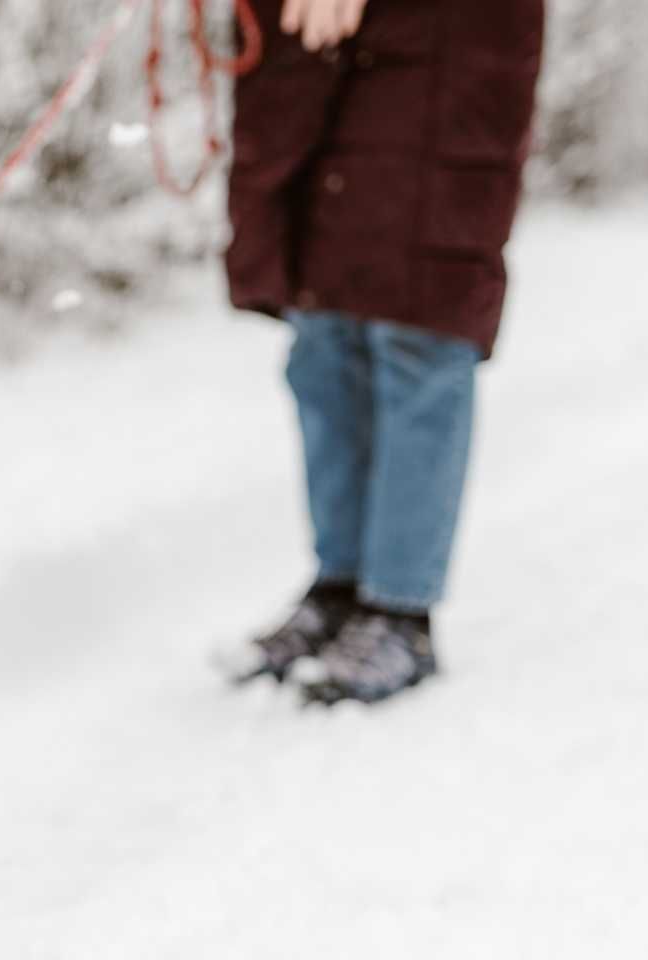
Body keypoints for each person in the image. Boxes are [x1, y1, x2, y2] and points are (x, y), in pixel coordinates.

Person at [223, 0, 546, 704]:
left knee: (418, 328)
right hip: (319, 39)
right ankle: (339, 586)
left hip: (452, 48)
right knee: (325, 327)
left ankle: (400, 608)